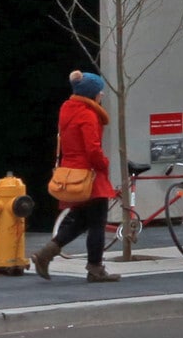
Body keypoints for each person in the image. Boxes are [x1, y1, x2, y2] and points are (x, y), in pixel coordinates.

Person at [34, 69, 120, 282]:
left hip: (72, 173)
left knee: (80, 221)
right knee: (97, 223)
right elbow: (92, 149)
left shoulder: (67, 109)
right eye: (100, 92)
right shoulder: (88, 115)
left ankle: (45, 254)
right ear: (92, 94)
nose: (102, 95)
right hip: (89, 175)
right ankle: (95, 269)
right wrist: (104, 164)